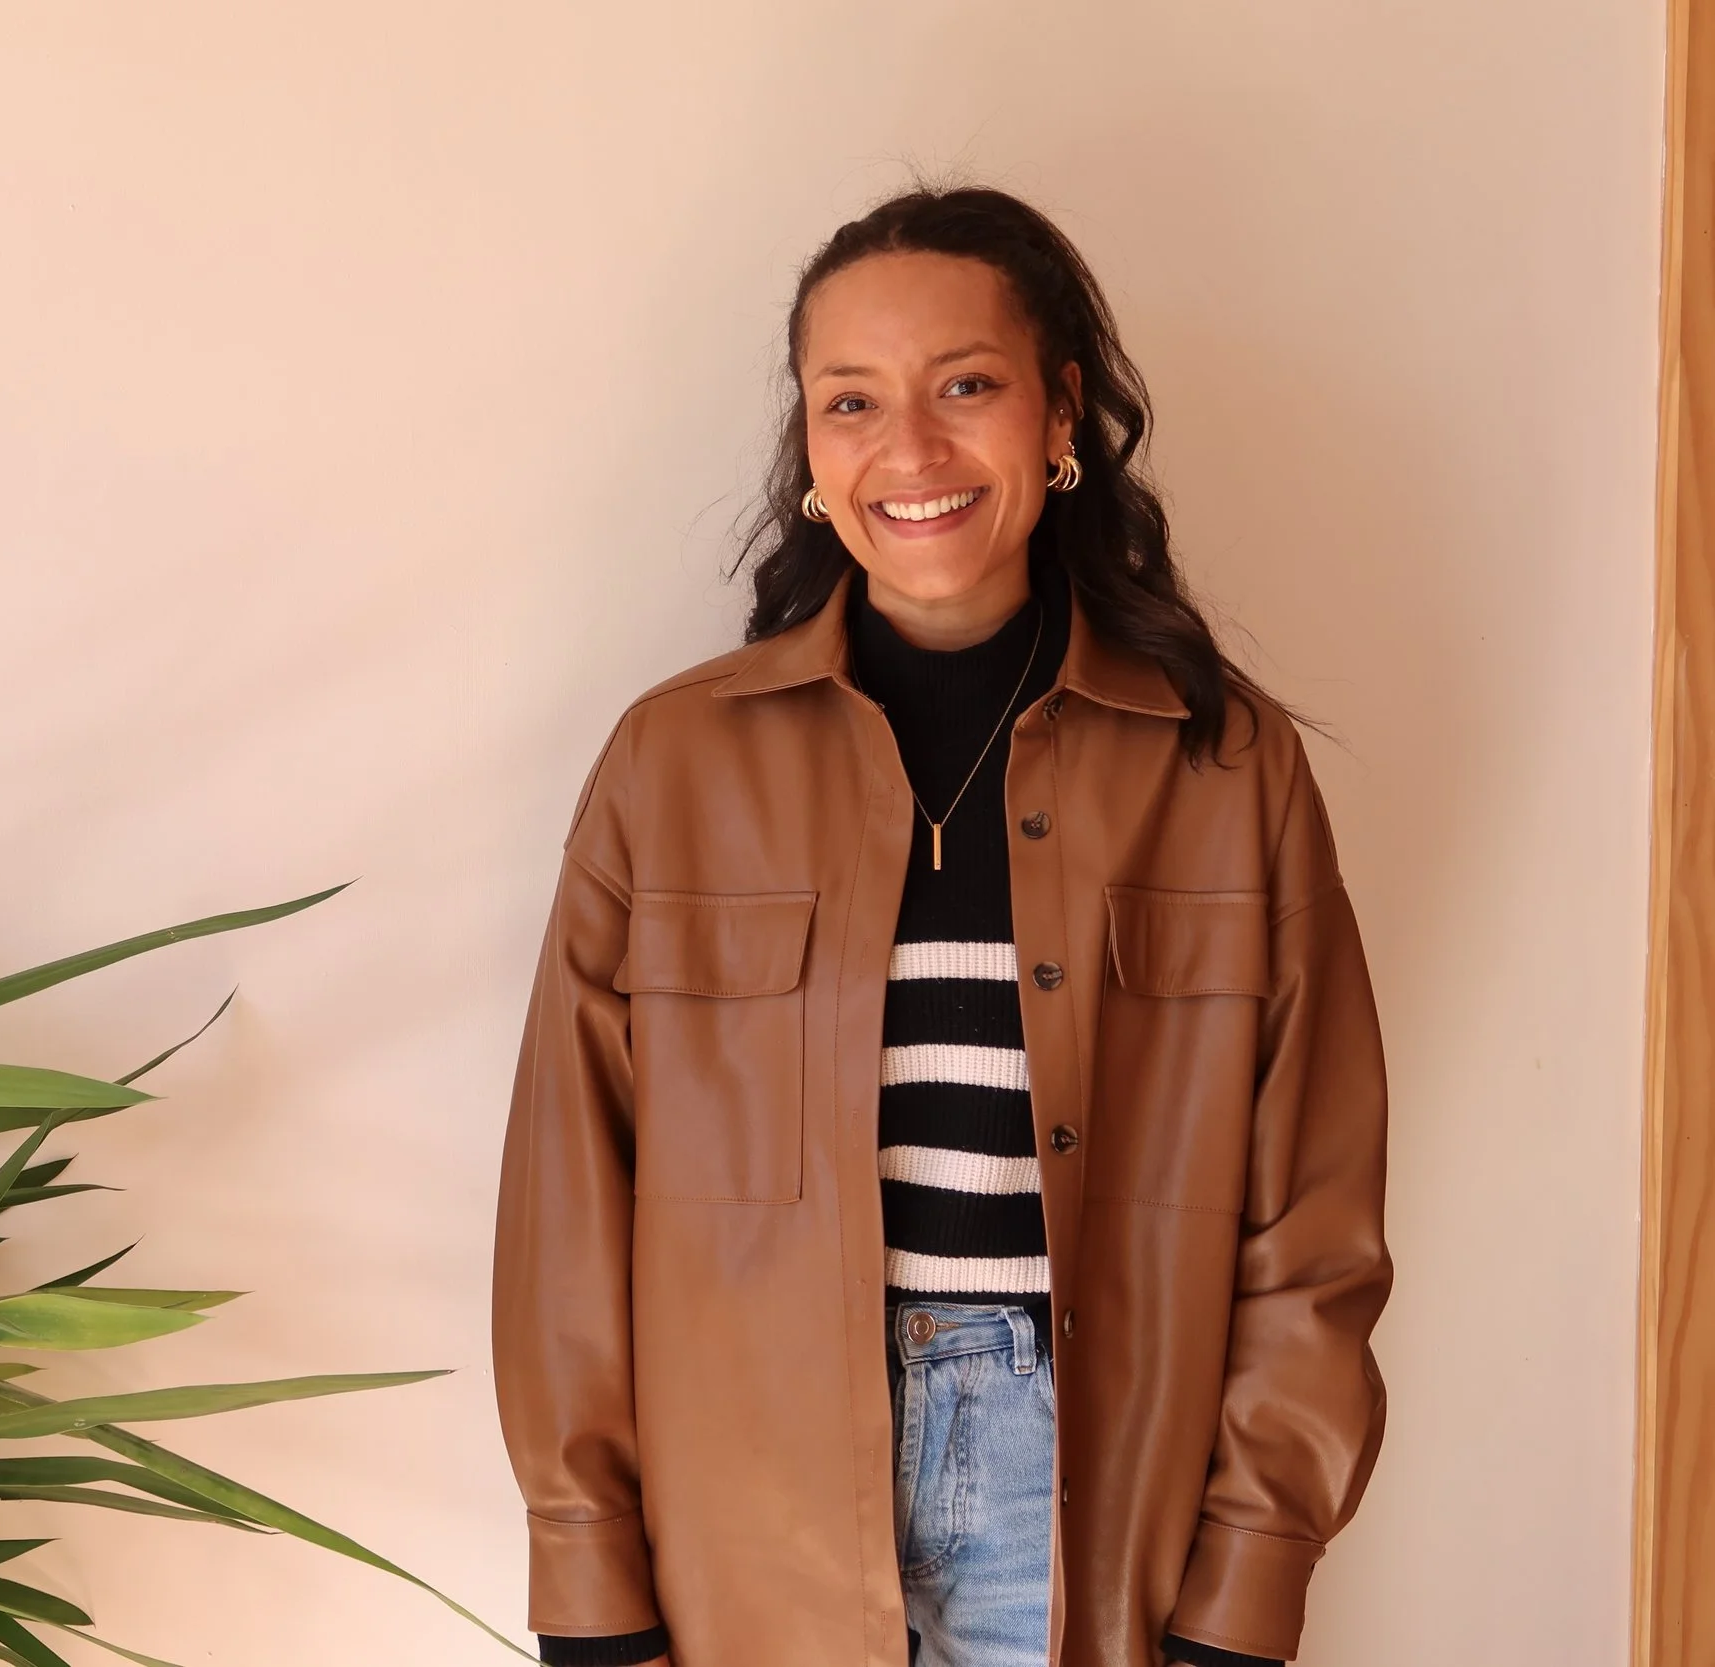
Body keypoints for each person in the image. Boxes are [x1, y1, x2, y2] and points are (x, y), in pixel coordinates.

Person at [490, 187, 1390, 1667]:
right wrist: (591, 1577)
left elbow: (1317, 1227)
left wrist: (1249, 1578)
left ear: (1061, 417)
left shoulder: (1225, 773)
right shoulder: (672, 768)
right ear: (810, 450)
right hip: (749, 1504)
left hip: (1092, 1505)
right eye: (853, 401)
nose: (908, 450)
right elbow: (568, 1208)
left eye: (965, 385)